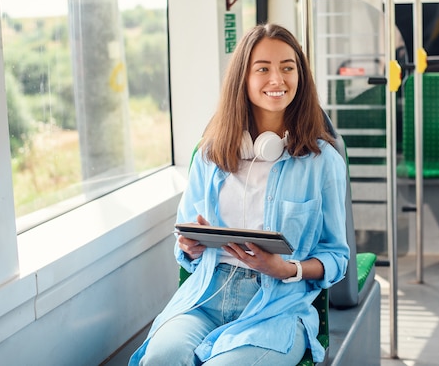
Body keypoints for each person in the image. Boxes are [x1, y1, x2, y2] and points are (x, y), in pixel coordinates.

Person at [129, 23, 350, 366]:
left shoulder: (322, 162)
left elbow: (336, 256)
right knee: (161, 358)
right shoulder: (210, 154)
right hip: (206, 296)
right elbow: (183, 244)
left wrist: (285, 268)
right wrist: (189, 245)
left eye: (287, 68)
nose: (277, 79)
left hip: (275, 306)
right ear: (243, 79)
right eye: (263, 68)